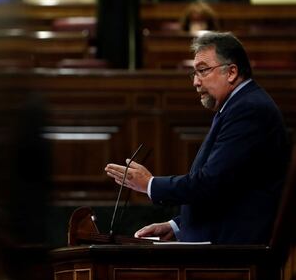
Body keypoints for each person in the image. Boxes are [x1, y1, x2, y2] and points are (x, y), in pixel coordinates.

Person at [105, 31, 290, 245]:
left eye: (202, 71)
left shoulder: (249, 109)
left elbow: (211, 182)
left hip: (235, 251)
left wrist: (150, 184)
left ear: (231, 72)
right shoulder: (237, 105)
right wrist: (177, 226)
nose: (195, 82)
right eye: (194, 73)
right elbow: (230, 190)